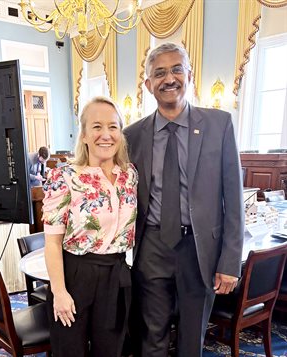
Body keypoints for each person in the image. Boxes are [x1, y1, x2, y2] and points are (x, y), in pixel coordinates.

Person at [124, 43, 244, 357]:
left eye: (176, 69)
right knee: (153, 336)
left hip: (200, 249)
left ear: (189, 75)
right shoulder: (132, 135)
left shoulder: (220, 125)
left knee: (192, 341)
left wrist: (230, 262)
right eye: (159, 73)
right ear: (148, 84)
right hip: (151, 247)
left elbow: (233, 198)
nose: (169, 78)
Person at [42, 96, 138, 357]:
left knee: (111, 350)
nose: (105, 134)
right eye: (96, 126)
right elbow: (51, 243)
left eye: (113, 126)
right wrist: (59, 291)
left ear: (121, 133)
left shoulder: (129, 176)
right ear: (83, 134)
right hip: (75, 274)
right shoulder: (64, 177)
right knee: (70, 350)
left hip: (116, 274)